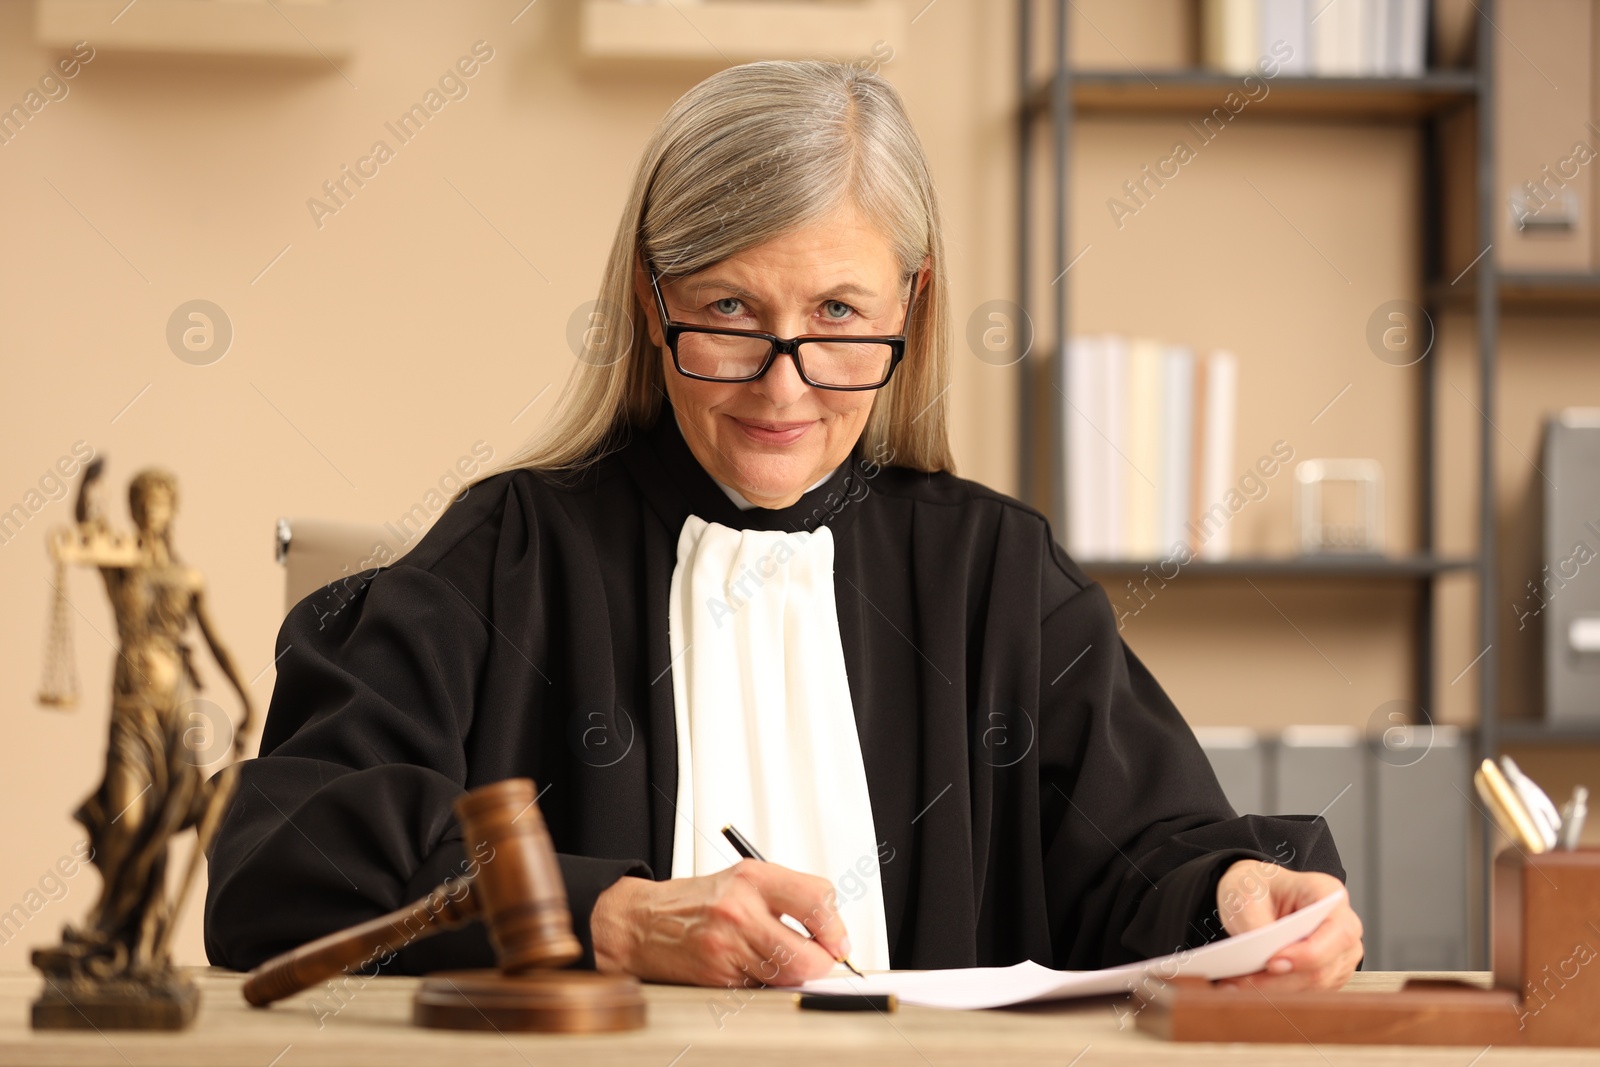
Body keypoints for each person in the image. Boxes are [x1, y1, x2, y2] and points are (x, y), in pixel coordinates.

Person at [205, 60, 1363, 992]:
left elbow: (1135, 857)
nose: (782, 385)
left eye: (838, 314)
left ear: (911, 301)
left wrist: (1234, 892)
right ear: (650, 304)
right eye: (727, 311)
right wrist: (606, 913)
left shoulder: (997, 574)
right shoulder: (507, 553)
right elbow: (282, 859)